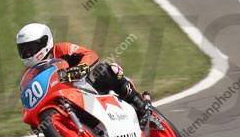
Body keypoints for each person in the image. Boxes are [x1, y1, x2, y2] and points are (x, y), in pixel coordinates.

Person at [16, 22, 151, 124]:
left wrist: (81, 68)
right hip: (63, 99)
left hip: (86, 84)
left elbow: (89, 54)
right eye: (23, 50)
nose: (27, 53)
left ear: (44, 42)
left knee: (106, 70)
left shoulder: (62, 49)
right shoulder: (28, 74)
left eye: (31, 48)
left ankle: (139, 104)